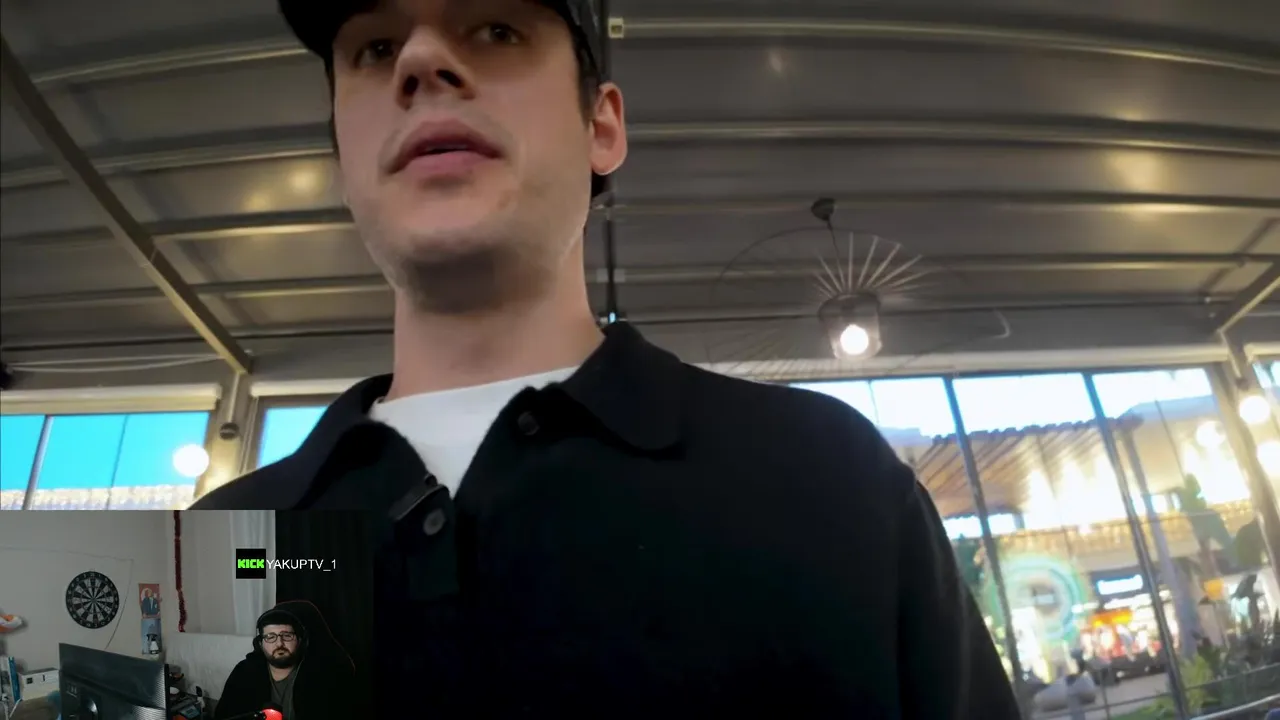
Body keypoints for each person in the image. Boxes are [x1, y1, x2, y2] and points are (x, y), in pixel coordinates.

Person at [193, 0, 1020, 716]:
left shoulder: (832, 474)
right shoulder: (210, 554)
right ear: (342, 160)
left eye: (496, 28)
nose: (419, 61)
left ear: (602, 127)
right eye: (375, 48)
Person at [214, 602, 357, 720]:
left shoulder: (324, 678)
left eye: (287, 635)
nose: (279, 643)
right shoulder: (244, 673)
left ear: (301, 640)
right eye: (270, 637)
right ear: (260, 643)